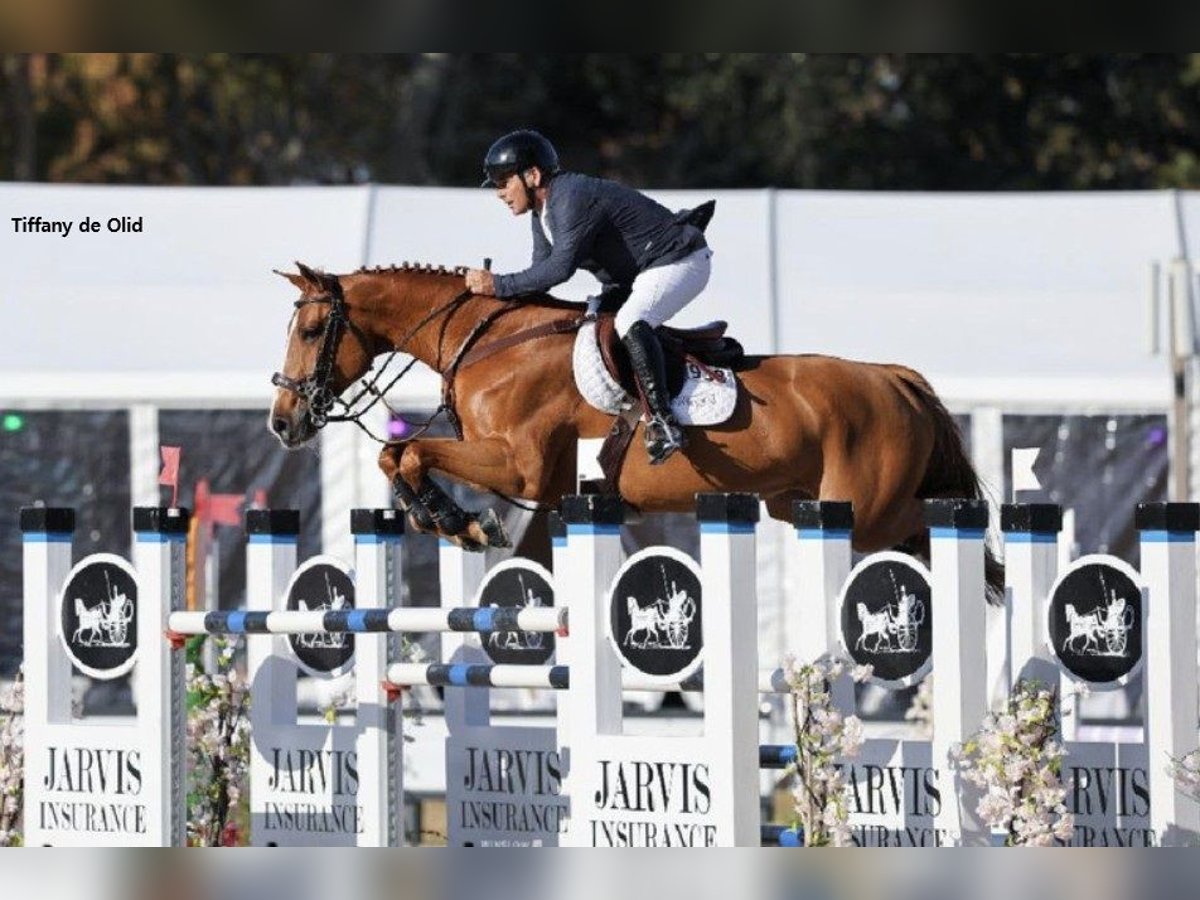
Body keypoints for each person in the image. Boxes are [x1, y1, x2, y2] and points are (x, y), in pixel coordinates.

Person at [464, 129, 713, 466]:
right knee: (590, 326)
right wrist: (496, 300)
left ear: (533, 175)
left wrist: (497, 285)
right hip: (640, 274)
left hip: (680, 260)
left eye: (504, 181)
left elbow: (559, 270)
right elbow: (539, 275)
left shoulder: (571, 197)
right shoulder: (542, 212)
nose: (500, 193)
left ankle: (664, 422)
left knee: (630, 320)